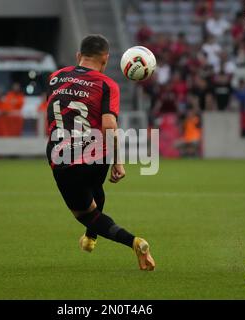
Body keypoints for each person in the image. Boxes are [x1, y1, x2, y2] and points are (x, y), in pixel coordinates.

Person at [46, 34, 155, 271]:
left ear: (78, 56)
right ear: (105, 59)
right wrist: (118, 161)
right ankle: (90, 239)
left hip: (63, 156)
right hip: (97, 153)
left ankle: (134, 242)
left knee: (87, 214)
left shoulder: (55, 78)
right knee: (95, 189)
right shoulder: (107, 85)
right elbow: (109, 126)